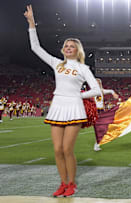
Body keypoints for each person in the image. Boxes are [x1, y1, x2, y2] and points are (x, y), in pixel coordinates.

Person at [24, 5, 101, 197]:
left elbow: (96, 90)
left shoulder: (83, 68)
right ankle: (63, 183)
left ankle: (72, 184)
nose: (68, 48)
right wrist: (32, 24)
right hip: (57, 106)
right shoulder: (56, 63)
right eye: (66, 46)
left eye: (71, 46)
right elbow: (35, 47)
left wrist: (78, 96)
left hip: (74, 107)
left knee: (67, 149)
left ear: (77, 50)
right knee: (57, 149)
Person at [93, 78, 119, 151]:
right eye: (96, 83)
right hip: (95, 111)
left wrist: (114, 94)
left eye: (98, 83)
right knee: (97, 128)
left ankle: (98, 143)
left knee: (103, 127)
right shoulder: (92, 91)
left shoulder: (102, 91)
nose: (97, 84)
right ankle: (97, 144)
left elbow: (111, 90)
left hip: (101, 111)